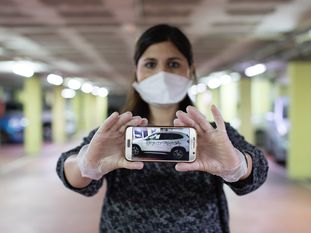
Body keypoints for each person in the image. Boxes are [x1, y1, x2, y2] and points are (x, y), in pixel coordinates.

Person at [56, 24, 268, 233]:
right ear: (136, 72)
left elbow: (258, 169)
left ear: (191, 71)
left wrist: (238, 166)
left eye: (173, 64)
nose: (161, 73)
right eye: (150, 64)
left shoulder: (212, 135)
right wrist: (84, 165)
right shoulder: (115, 134)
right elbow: (68, 169)